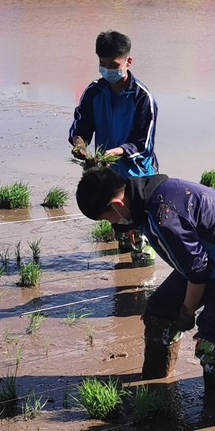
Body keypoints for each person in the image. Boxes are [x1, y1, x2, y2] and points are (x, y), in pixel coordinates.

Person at [76, 167, 215, 389]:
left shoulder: (164, 218)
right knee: (160, 312)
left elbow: (197, 272)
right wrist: (130, 223)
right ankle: (157, 386)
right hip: (207, 261)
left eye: (106, 218)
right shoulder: (141, 194)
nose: (111, 224)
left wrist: (187, 311)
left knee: (211, 345)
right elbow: (194, 264)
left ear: (118, 205)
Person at [69, 30, 159, 267]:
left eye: (113, 64)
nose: (108, 69)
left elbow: (143, 143)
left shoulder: (143, 98)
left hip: (138, 175)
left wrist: (116, 152)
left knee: (140, 234)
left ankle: (142, 282)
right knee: (120, 228)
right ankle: (123, 275)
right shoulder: (94, 92)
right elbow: (81, 125)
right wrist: (80, 145)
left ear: (128, 61)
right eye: (102, 64)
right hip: (108, 175)